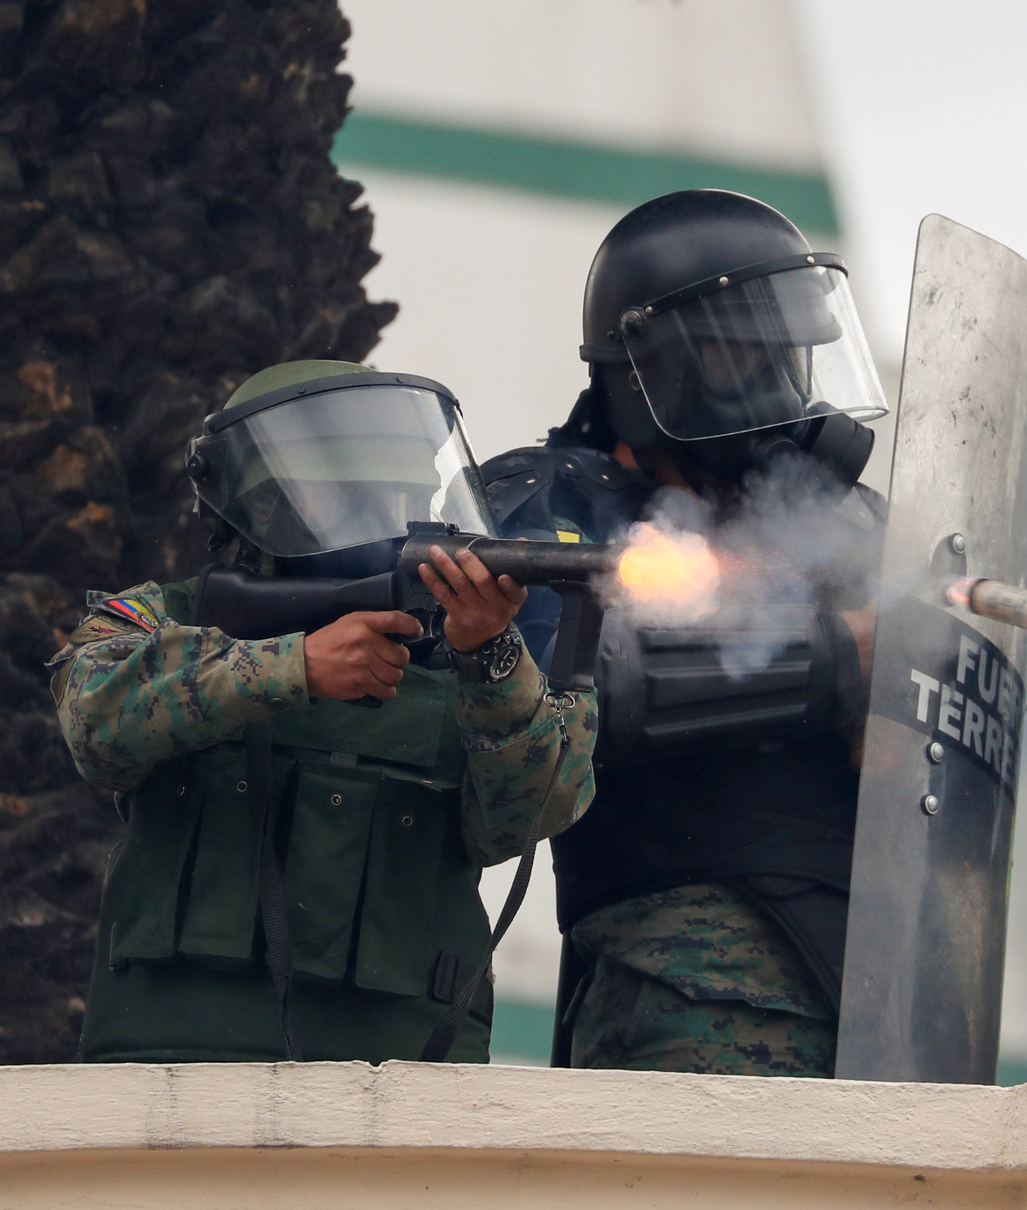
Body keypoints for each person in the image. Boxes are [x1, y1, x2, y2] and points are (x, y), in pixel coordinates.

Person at [51, 360, 597, 1063]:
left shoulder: (473, 657)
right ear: (264, 505)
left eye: (405, 500)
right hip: (169, 1066)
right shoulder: (165, 617)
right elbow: (93, 720)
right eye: (356, 501)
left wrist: (489, 653)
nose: (388, 525)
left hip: (400, 1081)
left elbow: (535, 812)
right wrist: (294, 667)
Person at [480, 189, 889, 1075]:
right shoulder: (548, 506)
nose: (778, 387)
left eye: (789, 355)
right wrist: (838, 662)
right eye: (744, 355)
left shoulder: (850, 523)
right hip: (683, 990)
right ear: (647, 369)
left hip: (880, 990)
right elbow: (542, 695)